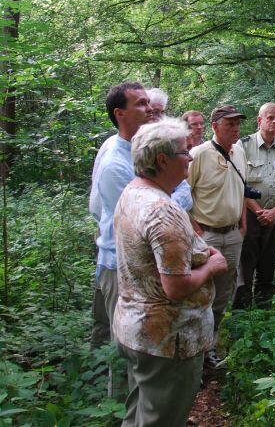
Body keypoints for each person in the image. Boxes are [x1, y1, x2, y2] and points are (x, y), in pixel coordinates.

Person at [113, 117, 229, 426]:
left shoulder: (133, 192)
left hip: (137, 331)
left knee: (140, 413)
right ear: (162, 160)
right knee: (160, 419)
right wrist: (212, 266)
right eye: (184, 152)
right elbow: (176, 288)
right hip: (167, 341)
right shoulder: (162, 210)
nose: (190, 158)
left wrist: (199, 252)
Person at [186, 104, 248, 369]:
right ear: (214, 126)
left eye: (237, 124)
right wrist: (195, 230)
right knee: (200, 296)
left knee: (223, 296)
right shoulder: (198, 154)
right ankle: (193, 355)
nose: (235, 129)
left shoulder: (240, 152)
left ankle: (209, 350)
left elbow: (242, 190)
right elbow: (181, 194)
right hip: (206, 235)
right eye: (229, 124)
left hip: (233, 235)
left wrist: (243, 223)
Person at [92, 82, 151, 350]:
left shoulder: (143, 151)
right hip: (120, 267)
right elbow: (142, 221)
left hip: (138, 263)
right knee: (125, 348)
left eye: (147, 102)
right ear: (120, 113)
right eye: (140, 103)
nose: (149, 108)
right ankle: (117, 393)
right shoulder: (115, 163)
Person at [233, 103, 275, 309]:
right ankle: (241, 318)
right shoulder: (242, 146)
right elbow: (237, 183)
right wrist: (259, 211)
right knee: (245, 268)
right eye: (270, 118)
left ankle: (263, 315)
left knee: (268, 268)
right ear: (260, 120)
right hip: (249, 216)